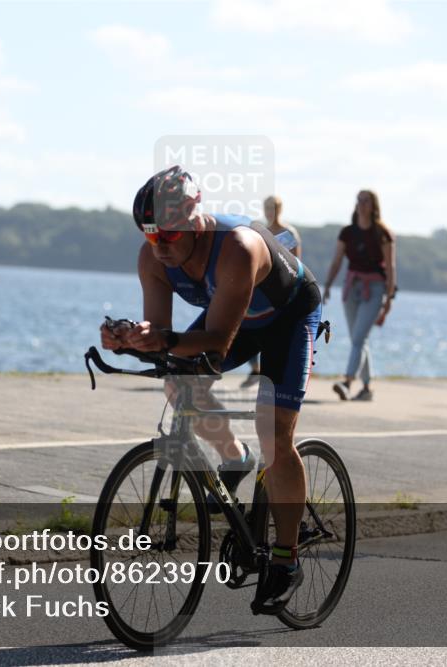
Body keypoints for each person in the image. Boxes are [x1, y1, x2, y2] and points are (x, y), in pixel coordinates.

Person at [100, 165, 323, 614]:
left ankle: (286, 559)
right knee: (176, 379)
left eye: (168, 236)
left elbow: (218, 345)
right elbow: (162, 335)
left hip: (288, 319)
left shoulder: (236, 249)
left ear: (194, 221)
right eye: (150, 236)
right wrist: (130, 337)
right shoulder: (153, 258)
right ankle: (234, 456)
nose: (160, 247)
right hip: (237, 317)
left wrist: (161, 339)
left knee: (276, 436)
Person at [322, 189, 396, 401]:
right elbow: (337, 261)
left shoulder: (383, 233)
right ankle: (367, 389)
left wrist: (389, 297)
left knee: (358, 338)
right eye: (359, 200)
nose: (362, 204)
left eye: (367, 201)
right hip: (351, 288)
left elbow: (390, 267)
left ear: (374, 206)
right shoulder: (348, 233)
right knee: (359, 339)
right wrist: (327, 285)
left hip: (374, 289)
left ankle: (346, 382)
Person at [243, 195, 302, 388]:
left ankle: (276, 374)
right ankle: (255, 368)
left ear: (280, 209)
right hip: (260, 287)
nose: (270, 211)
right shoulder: (260, 231)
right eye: (267, 207)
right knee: (247, 326)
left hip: (281, 288)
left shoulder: (289, 232)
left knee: (275, 331)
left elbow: (297, 264)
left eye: (273, 207)